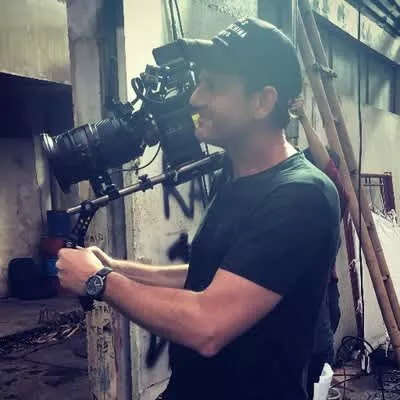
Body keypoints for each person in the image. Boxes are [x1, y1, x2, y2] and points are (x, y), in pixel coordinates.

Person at [56, 18, 340, 400]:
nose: (195, 98)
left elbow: (208, 324)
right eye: (199, 82)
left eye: (214, 86)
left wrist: (99, 281)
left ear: (262, 102)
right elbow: (213, 275)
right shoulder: (235, 172)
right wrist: (114, 266)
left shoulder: (301, 195)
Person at [290, 99, 347, 398]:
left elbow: (326, 166)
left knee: (318, 357)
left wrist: (303, 118)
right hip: (301, 292)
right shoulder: (293, 199)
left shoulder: (331, 196)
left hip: (321, 291)